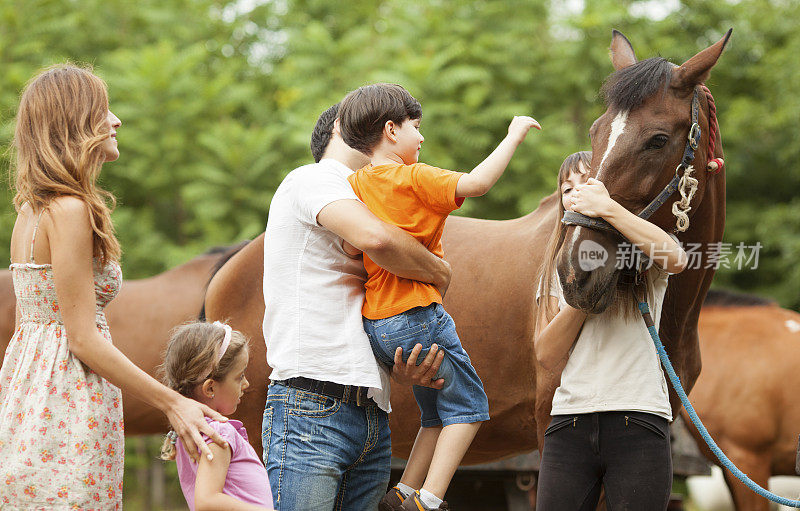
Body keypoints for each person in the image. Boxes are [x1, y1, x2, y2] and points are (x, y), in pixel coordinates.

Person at [0, 64, 227, 509]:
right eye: (101, 110)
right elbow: (81, 338)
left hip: (31, 400)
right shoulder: (69, 209)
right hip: (68, 404)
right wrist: (173, 403)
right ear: (74, 123)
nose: (115, 119)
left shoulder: (31, 209)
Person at [338, 83, 540, 511]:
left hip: (377, 323)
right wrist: (514, 135)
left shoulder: (354, 184)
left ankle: (404, 491)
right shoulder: (414, 176)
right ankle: (429, 500)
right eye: (416, 126)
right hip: (418, 314)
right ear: (391, 130)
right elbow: (478, 183)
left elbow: (350, 249)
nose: (421, 137)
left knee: (434, 413)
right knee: (469, 408)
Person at [262, 102, 450, 511]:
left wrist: (397, 364)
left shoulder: (374, 192)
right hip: (310, 404)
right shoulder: (311, 179)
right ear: (337, 128)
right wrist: (439, 272)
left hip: (372, 411)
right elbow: (377, 239)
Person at [534, 151, 688, 510]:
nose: (575, 194)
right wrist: (583, 289)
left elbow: (678, 259)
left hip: (639, 416)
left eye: (585, 183)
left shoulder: (641, 251)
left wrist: (609, 211)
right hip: (569, 421)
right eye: (566, 188)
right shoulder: (559, 264)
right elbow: (546, 354)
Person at [160, 322, 274, 511]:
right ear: (210, 387)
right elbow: (207, 501)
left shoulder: (190, 434)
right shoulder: (218, 434)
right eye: (239, 376)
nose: (245, 384)